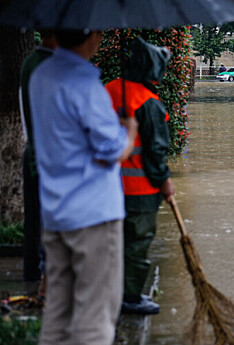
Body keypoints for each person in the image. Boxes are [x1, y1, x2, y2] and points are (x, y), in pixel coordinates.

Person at [29, 29, 138, 345]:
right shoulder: (84, 84)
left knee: (58, 315)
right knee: (95, 317)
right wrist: (128, 132)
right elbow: (112, 151)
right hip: (93, 216)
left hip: (55, 212)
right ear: (91, 35)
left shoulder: (41, 75)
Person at [105, 37, 175, 315]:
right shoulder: (149, 103)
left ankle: (110, 292)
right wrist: (165, 181)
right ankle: (131, 297)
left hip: (106, 187)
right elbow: (156, 151)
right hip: (139, 189)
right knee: (136, 243)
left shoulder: (108, 89)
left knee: (112, 242)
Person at [19, 30, 58, 293]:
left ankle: (31, 269)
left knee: (33, 217)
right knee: (50, 218)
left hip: (31, 149)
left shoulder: (29, 62)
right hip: (49, 155)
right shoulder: (51, 67)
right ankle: (46, 276)